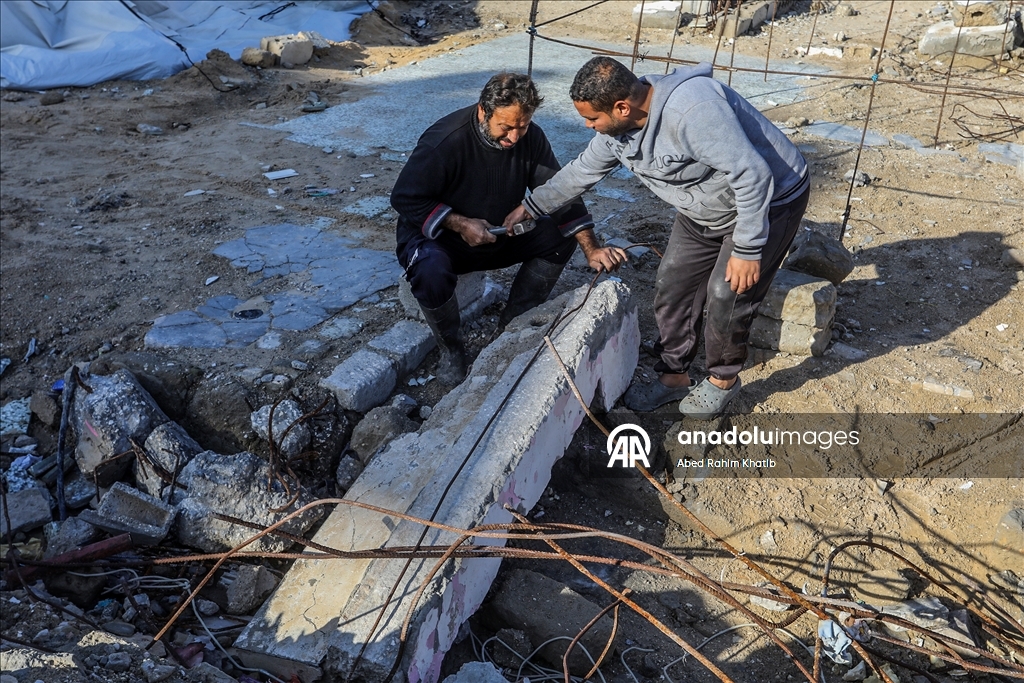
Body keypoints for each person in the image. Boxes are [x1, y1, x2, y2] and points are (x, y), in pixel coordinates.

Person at [504, 57, 810, 418]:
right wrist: (533, 206)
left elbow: (753, 174)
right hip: (705, 208)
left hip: (769, 200)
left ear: (622, 106)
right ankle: (673, 378)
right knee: (672, 283)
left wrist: (747, 248)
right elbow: (582, 171)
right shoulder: (617, 131)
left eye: (592, 119)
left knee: (727, 293)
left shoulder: (693, 110)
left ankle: (722, 382)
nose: (589, 127)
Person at [391, 72, 627, 384]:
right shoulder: (445, 140)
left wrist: (592, 249)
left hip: (496, 236)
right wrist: (460, 223)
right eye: (506, 127)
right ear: (482, 112)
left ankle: (510, 329)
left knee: (560, 235)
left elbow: (559, 192)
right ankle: (451, 349)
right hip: (441, 240)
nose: (515, 137)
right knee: (430, 269)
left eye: (523, 126)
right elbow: (404, 197)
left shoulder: (531, 138)